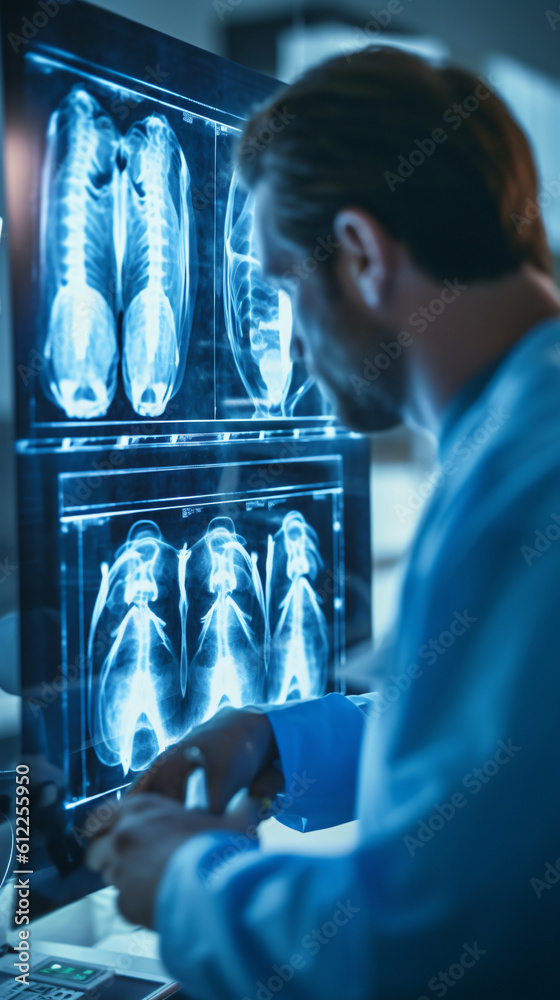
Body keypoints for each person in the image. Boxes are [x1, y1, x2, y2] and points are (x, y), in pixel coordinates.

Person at [87, 47, 560, 999]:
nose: (296, 342)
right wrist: (288, 741)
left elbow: (431, 953)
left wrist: (186, 882)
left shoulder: (526, 481)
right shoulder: (521, 426)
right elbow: (522, 746)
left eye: (287, 287)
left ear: (362, 252)